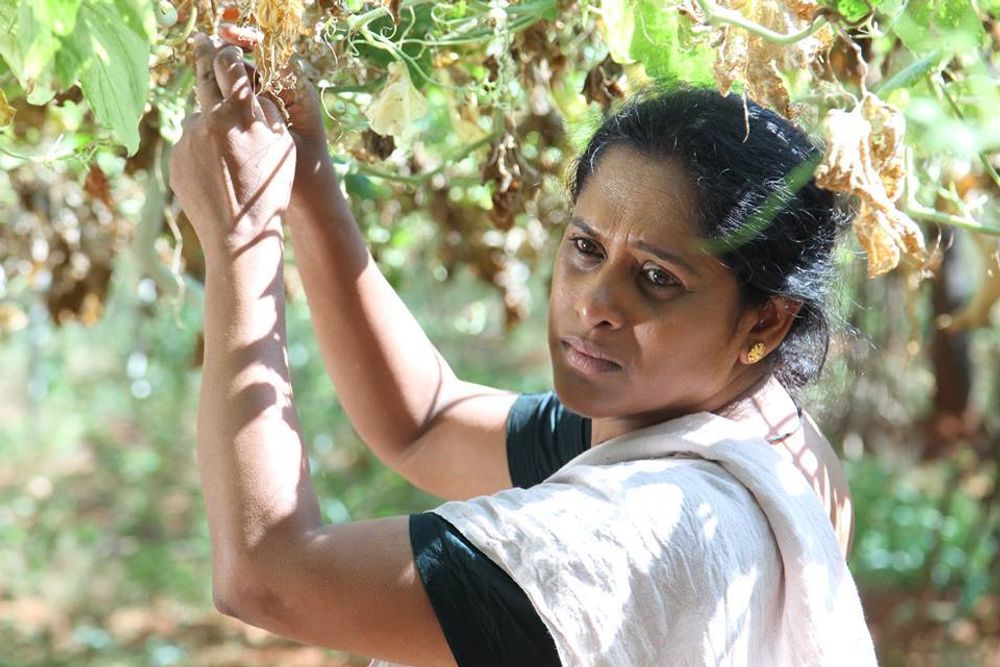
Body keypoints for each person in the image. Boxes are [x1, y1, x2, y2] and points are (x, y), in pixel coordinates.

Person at [168, 31, 876, 666]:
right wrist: (306, 176)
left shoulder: (638, 532)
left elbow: (268, 575)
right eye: (586, 247)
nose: (594, 305)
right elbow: (425, 423)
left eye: (658, 278)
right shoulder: (757, 445)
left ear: (766, 323)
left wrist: (241, 233)